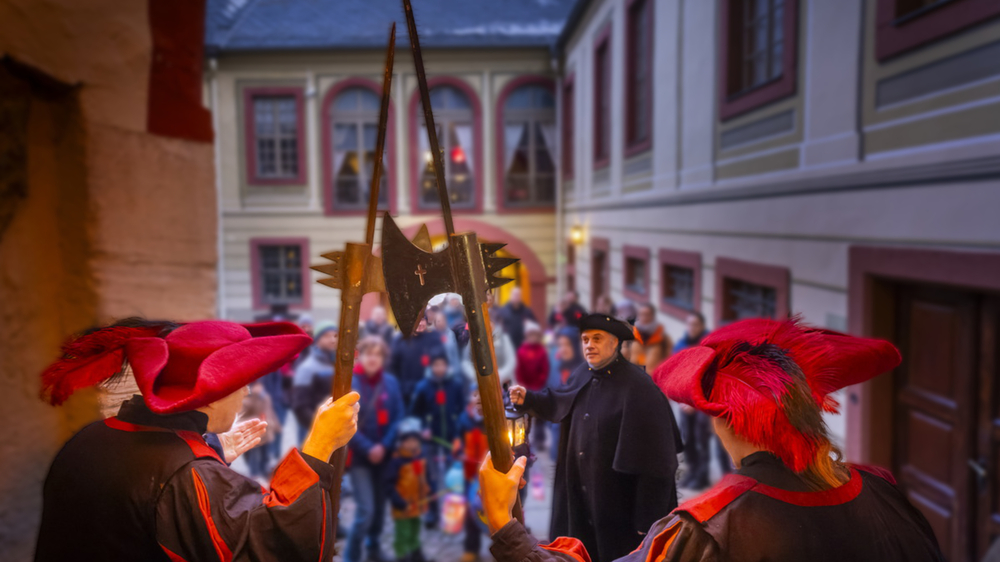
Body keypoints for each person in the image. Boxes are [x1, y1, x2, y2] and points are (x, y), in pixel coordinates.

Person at [482, 318, 946, 562]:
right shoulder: (884, 492)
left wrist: (506, 527)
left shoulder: (707, 531)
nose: (588, 346)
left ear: (721, 418)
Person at [36, 319, 360, 562]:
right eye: (242, 382)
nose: (247, 392)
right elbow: (269, 544)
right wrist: (319, 447)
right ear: (212, 396)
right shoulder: (189, 474)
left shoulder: (89, 437)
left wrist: (212, 455)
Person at [507, 314, 682, 562]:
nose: (589, 345)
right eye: (585, 339)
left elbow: (658, 465)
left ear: (615, 343)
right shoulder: (583, 373)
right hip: (581, 493)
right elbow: (561, 399)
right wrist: (530, 398)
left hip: (618, 503)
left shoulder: (640, 388)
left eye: (597, 339)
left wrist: (648, 521)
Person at [347, 336, 405, 562]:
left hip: (385, 456)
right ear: (361, 355)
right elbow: (345, 421)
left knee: (380, 509)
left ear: (383, 359)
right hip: (360, 458)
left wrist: (385, 445)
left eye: (378, 354)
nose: (373, 358)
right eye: (369, 353)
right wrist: (369, 447)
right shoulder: (351, 382)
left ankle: (373, 548)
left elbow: (399, 415)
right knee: (366, 511)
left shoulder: (390, 382)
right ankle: (351, 556)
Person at [673, 311, 730, 489]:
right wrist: (682, 400)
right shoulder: (681, 345)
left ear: (702, 326)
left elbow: (708, 380)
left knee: (701, 440)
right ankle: (694, 472)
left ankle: (702, 476)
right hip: (685, 402)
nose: (692, 328)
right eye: (689, 324)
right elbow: (677, 375)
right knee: (687, 439)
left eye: (695, 325)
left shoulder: (708, 349)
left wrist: (695, 403)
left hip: (701, 405)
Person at [409, 352, 466, 528]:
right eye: (436, 365)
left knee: (453, 476)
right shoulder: (423, 387)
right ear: (431, 367)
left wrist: (459, 430)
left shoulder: (455, 385)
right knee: (430, 477)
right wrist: (422, 429)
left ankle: (453, 513)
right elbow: (414, 413)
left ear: (447, 366)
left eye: (442, 364)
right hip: (430, 440)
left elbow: (463, 409)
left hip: (451, 437)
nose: (439, 368)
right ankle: (431, 512)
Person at [385, 418, 433, 562]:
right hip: (403, 507)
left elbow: (427, 477)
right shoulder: (396, 462)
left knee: (415, 530)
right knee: (403, 533)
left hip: (417, 505)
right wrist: (398, 501)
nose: (412, 444)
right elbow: (388, 484)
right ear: (402, 442)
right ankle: (402, 556)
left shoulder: (421, 458)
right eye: (408, 441)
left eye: (415, 440)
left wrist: (430, 488)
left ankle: (416, 554)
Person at [453, 390, 489, 562]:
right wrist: (458, 452)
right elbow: (457, 443)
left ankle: (505, 545)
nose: (479, 398)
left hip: (492, 470)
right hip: (471, 473)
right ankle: (471, 547)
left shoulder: (497, 416)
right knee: (470, 510)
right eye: (475, 394)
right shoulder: (464, 419)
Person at [292, 321, 338, 442]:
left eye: (335, 336)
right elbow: (300, 407)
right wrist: (320, 427)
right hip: (314, 431)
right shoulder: (307, 367)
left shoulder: (338, 364)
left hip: (335, 430)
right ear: (317, 339)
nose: (332, 340)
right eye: (327, 336)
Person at [390, 315, 445, 404]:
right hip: (404, 393)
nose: (419, 323)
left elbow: (441, 364)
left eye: (422, 320)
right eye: (415, 320)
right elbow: (392, 367)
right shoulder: (399, 340)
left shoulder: (434, 340)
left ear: (427, 322)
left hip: (428, 393)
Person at [460, 308, 515, 388]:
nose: (486, 324)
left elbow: (511, 361)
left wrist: (499, 375)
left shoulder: (503, 338)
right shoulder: (475, 338)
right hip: (480, 384)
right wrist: (476, 376)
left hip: (502, 384)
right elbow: (466, 361)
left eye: (488, 320)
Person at [239, 380, 282, 480]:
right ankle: (254, 474)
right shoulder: (247, 400)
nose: (259, 388)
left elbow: (270, 412)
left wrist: (277, 426)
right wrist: (256, 419)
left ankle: (264, 470)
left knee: (265, 454)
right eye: (256, 386)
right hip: (255, 432)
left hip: (267, 431)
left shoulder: (266, 397)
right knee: (253, 455)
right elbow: (241, 418)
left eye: (260, 386)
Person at [631, 303, 672, 373]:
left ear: (652, 316)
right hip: (635, 378)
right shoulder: (632, 335)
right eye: (641, 314)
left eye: (647, 315)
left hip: (653, 380)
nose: (644, 318)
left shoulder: (663, 338)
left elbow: (668, 361)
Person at [433, 312, 462, 378]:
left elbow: (455, 353)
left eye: (442, 320)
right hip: (437, 371)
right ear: (435, 323)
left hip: (452, 370)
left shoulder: (451, 334)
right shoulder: (432, 335)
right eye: (438, 321)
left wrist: (457, 370)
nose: (440, 323)